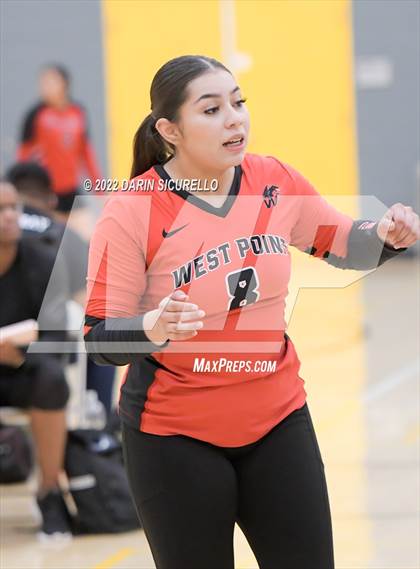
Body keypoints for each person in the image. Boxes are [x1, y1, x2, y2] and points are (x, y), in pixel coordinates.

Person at [83, 55, 419, 569]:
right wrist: (151, 327)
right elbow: (99, 336)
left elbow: (346, 246)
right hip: (176, 437)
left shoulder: (273, 179)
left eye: (239, 103)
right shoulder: (132, 210)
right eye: (212, 109)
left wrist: (387, 237)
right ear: (169, 129)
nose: (235, 119)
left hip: (277, 421)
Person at [5, 162, 116, 414]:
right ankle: (96, 427)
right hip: (51, 374)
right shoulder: (70, 239)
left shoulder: (8, 230)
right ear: (52, 200)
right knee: (100, 330)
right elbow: (94, 312)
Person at [0, 181, 71, 539]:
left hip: (21, 370)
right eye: (1, 210)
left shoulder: (42, 261)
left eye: (14, 207)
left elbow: (58, 336)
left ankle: (49, 493)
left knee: (52, 379)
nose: (11, 216)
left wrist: (19, 354)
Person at [16, 64, 101, 236]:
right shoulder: (36, 115)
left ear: (64, 83)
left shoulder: (78, 112)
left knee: (89, 238)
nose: (44, 86)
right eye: (42, 82)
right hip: (46, 196)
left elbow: (86, 154)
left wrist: (99, 189)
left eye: (50, 81)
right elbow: (23, 157)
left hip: (71, 192)